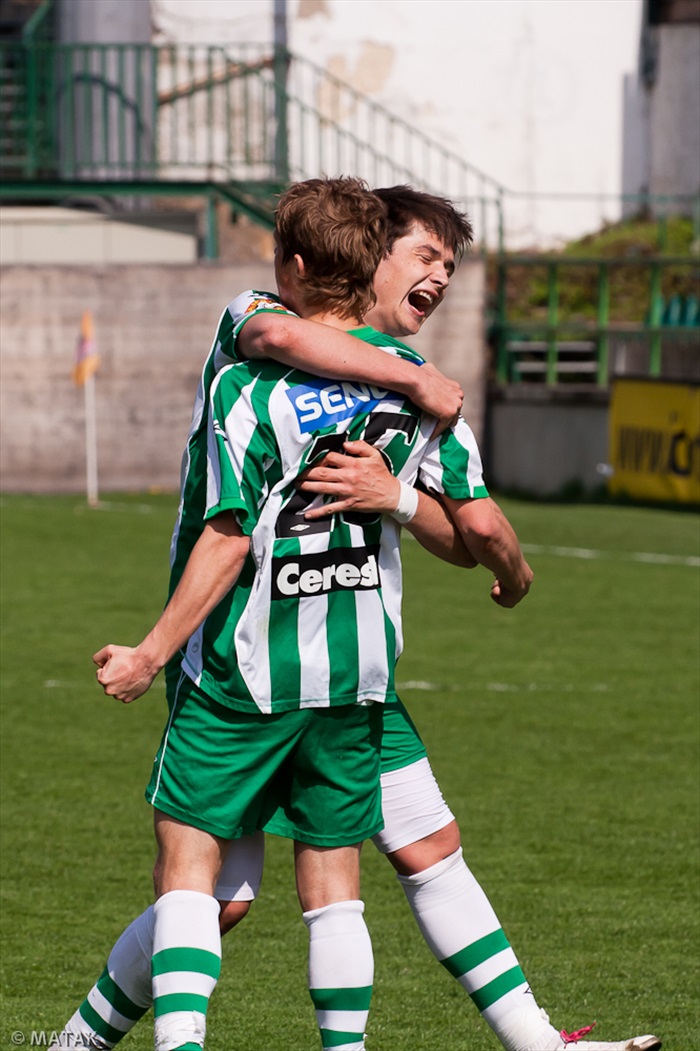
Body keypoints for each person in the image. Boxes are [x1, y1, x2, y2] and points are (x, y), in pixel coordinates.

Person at [50, 186, 661, 1051]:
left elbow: (247, 533)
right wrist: (417, 390)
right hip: (346, 672)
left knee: (376, 854)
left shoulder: (250, 388)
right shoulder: (375, 370)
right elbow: (482, 529)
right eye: (424, 255)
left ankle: (534, 1040)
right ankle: (90, 1039)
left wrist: (397, 495)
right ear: (369, 257)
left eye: (452, 265)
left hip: (251, 665)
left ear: (298, 262)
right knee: (295, 884)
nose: (439, 277)